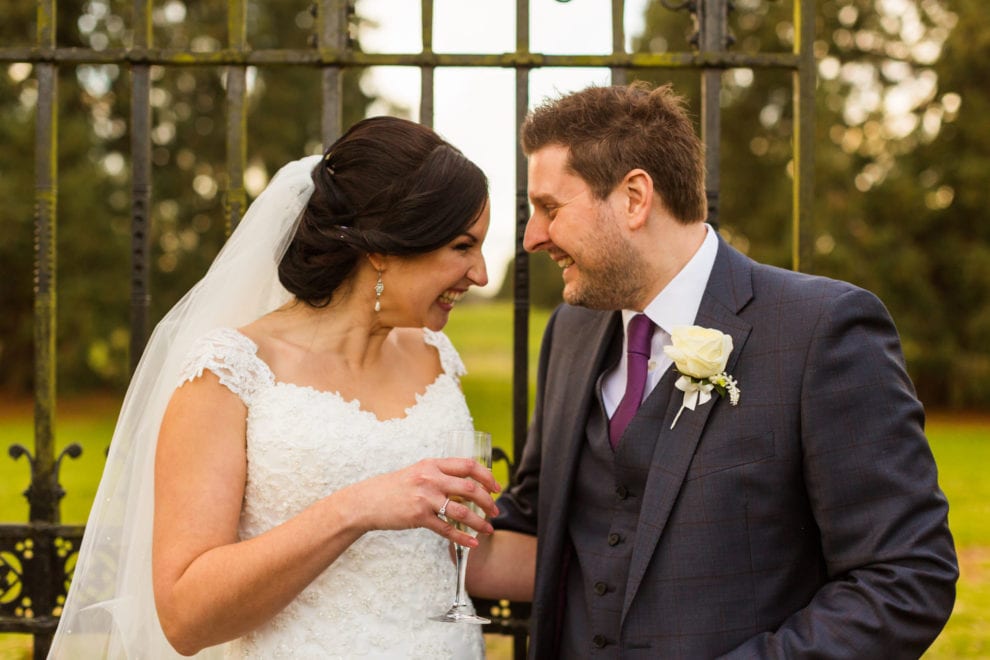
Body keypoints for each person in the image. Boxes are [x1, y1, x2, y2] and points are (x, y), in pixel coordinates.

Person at [467, 82, 958, 657]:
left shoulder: (822, 329)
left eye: (549, 208)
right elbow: (541, 524)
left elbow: (906, 577)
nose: (531, 237)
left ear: (633, 198)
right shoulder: (570, 333)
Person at [49, 116, 501, 659]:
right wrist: (357, 507)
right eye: (461, 246)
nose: (479, 275)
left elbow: (458, 548)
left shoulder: (435, 359)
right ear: (383, 246)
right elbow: (185, 615)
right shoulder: (230, 370)